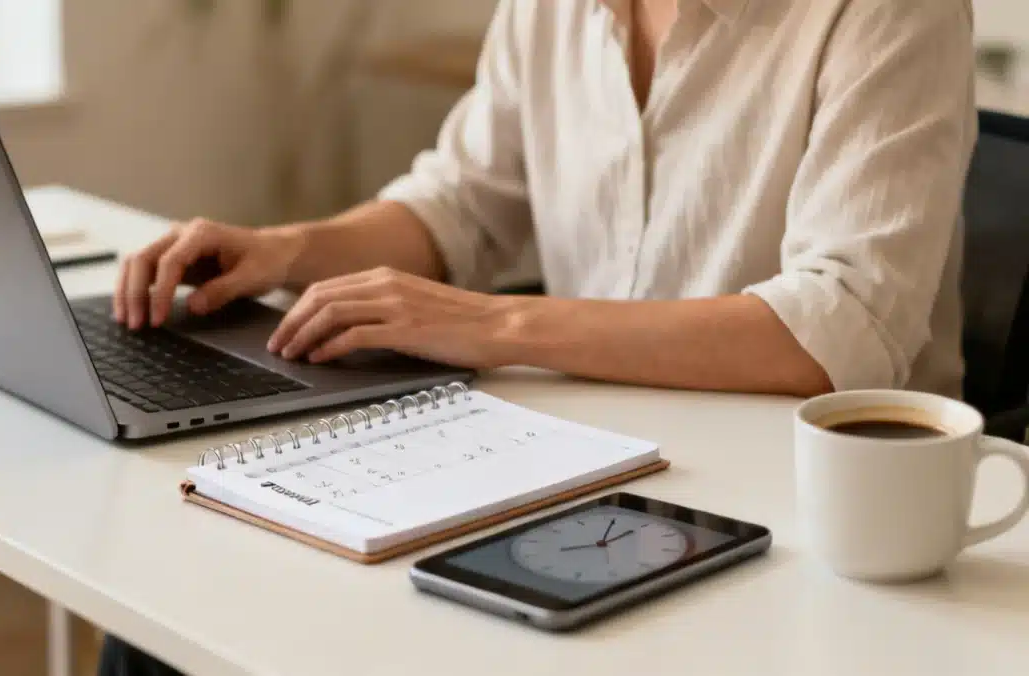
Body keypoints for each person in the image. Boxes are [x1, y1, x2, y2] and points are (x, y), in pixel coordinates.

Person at [99, 0, 978, 672]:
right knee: (164, 628)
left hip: (800, 516)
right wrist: (287, 247)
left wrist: (497, 324)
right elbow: (460, 204)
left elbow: (838, 330)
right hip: (579, 471)